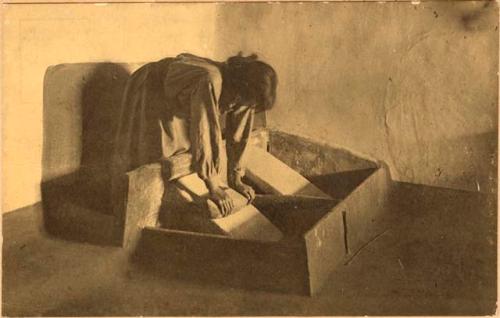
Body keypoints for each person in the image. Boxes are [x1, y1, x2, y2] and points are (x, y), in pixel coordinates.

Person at [113, 52, 278, 216]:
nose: (246, 106)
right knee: (157, 154)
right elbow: (204, 130)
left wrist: (236, 178)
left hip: (177, 95)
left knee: (185, 151)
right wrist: (213, 185)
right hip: (152, 87)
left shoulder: (246, 92)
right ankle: (133, 212)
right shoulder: (210, 80)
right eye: (247, 102)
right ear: (242, 86)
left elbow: (240, 131)